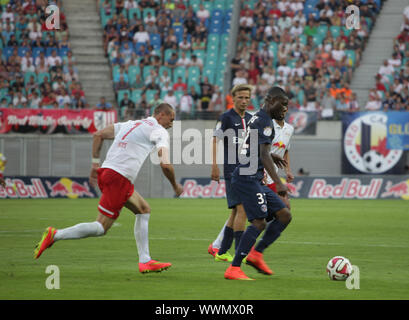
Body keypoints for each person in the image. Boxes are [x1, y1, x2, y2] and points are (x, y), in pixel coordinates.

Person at [34, 104, 184, 274]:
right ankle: (55, 235)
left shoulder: (130, 124)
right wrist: (175, 185)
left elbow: (99, 134)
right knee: (101, 227)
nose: (172, 124)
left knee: (143, 210)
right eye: (171, 119)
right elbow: (165, 164)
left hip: (107, 173)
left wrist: (94, 164)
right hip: (118, 178)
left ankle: (145, 260)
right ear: (161, 115)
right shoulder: (159, 131)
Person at [224, 86, 292, 280]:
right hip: (247, 178)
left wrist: (271, 155)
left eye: (287, 105)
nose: (286, 109)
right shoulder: (265, 121)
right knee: (259, 222)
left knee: (284, 214)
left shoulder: (257, 117)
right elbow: (261, 153)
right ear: (270, 100)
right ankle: (234, 268)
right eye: (283, 104)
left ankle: (256, 253)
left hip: (252, 176)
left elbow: (256, 148)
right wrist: (279, 182)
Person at [208, 84, 253, 262]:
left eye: (247, 98)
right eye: (240, 97)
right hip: (232, 170)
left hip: (249, 169)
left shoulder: (251, 118)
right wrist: (214, 165)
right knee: (242, 209)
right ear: (233, 98)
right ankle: (240, 252)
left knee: (236, 211)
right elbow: (214, 141)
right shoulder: (226, 117)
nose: (244, 101)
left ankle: (222, 251)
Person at [264, 105, 294, 209]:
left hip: (273, 175)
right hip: (262, 173)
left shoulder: (289, 129)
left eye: (284, 109)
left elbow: (286, 150)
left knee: (285, 207)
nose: (282, 112)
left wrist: (288, 170)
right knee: (280, 209)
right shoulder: (268, 126)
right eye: (279, 109)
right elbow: (260, 150)